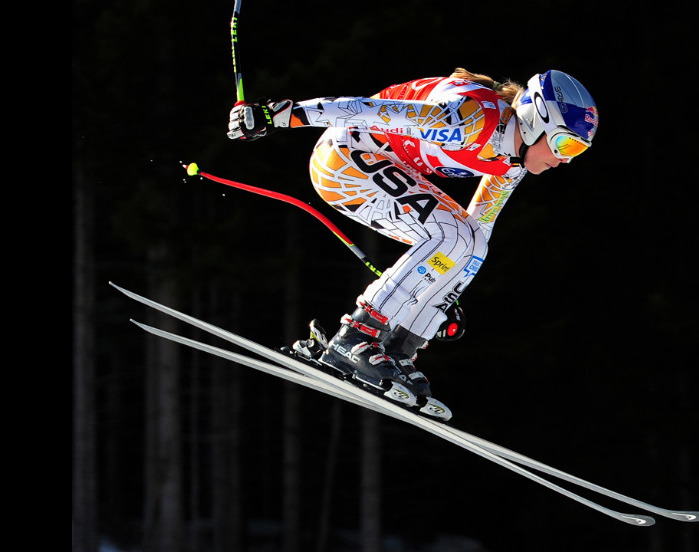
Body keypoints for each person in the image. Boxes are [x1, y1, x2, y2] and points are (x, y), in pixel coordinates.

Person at [227, 68, 598, 419]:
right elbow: (363, 110)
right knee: (451, 236)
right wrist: (275, 115)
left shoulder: (512, 161)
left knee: (471, 244)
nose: (563, 159)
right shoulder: (470, 118)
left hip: (381, 164)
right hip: (343, 159)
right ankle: (356, 336)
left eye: (578, 151)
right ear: (535, 121)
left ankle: (399, 346)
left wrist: (442, 293)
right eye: (564, 143)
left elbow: (479, 231)